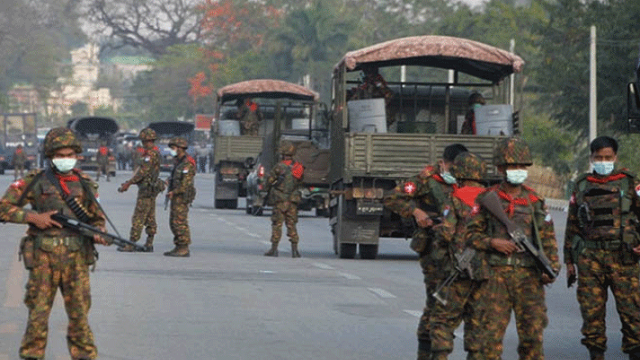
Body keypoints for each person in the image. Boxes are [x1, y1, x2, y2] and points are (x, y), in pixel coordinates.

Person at [0, 127, 109, 360]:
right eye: (59, 155)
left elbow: (97, 219)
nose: (65, 159)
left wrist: (100, 233)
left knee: (79, 317)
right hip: (43, 259)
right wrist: (32, 217)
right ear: (50, 156)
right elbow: (3, 208)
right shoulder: (35, 181)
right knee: (38, 317)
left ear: (77, 155)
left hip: (77, 259)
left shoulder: (86, 184)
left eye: (69, 154)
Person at [462, 137, 560, 360]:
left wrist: (551, 268)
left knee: (533, 340)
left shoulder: (535, 200)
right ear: (500, 168)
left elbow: (547, 239)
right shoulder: (487, 198)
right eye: (512, 166)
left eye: (521, 166)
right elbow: (469, 235)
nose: (518, 170)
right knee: (487, 341)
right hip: (495, 279)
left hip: (529, 279)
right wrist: (492, 243)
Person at [383, 143, 468, 360]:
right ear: (443, 163)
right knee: (436, 299)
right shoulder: (426, 179)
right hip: (433, 247)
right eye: (451, 166)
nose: (454, 171)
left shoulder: (466, 181)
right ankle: (426, 349)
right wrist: (416, 211)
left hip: (460, 248)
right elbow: (392, 197)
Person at [564, 136, 640, 360]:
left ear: (615, 157)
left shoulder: (630, 183)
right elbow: (572, 225)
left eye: (608, 157)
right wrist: (569, 262)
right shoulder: (581, 185)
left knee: (632, 315)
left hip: (624, 259)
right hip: (590, 260)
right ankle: (596, 355)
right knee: (592, 315)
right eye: (599, 157)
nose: (603, 161)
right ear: (591, 158)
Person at [429, 152, 488, 360]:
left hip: (458, 269)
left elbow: (446, 233)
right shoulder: (492, 198)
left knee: (443, 321)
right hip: (485, 272)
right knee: (478, 323)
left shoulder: (455, 198)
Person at [117, 128, 162, 253]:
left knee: (139, 216)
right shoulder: (155, 152)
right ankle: (149, 243)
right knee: (150, 216)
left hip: (146, 189)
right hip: (151, 188)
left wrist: (128, 183)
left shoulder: (150, 155)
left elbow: (142, 172)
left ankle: (132, 243)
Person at [264, 140, 305, 258]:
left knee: (277, 224)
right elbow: (300, 181)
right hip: (292, 200)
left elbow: (270, 181)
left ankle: (274, 249)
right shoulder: (298, 167)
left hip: (280, 200)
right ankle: (295, 250)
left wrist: (267, 189)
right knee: (291, 224)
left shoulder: (279, 167)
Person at [164, 137, 196, 257]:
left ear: (180, 149)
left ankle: (184, 247)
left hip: (181, 197)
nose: (171, 151)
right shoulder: (179, 162)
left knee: (180, 222)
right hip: (176, 196)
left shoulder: (187, 163)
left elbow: (186, 184)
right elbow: (176, 177)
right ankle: (178, 246)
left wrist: (174, 192)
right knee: (173, 222)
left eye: (173, 148)